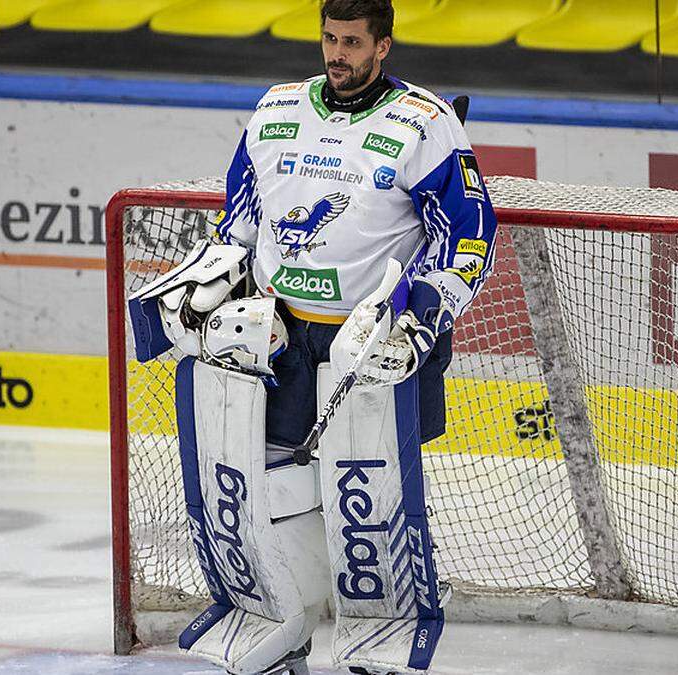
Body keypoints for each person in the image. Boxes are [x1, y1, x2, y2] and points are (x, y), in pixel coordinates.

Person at [134, 1, 498, 673]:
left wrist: (426, 313)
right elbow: (239, 223)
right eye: (330, 39)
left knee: (367, 496)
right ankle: (284, 624)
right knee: (264, 489)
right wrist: (206, 284)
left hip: (373, 346)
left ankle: (383, 639)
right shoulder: (275, 111)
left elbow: (469, 235)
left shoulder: (426, 125)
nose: (338, 54)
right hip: (280, 340)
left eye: (353, 42)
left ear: (383, 46)